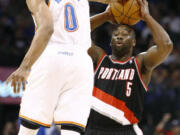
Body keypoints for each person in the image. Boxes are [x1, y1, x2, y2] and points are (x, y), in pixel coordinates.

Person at [5, 0, 113, 135]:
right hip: (82, 61)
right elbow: (80, 27)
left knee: (28, 128)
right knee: (72, 130)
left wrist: (24, 67)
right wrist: (106, 15)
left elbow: (47, 28)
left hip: (52, 55)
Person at [85, 0, 173, 134]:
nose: (119, 36)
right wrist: (105, 16)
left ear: (134, 42)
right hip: (93, 129)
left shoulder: (141, 62)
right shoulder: (99, 58)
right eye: (116, 34)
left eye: (125, 34)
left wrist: (147, 17)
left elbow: (166, 45)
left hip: (125, 129)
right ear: (110, 40)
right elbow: (77, 33)